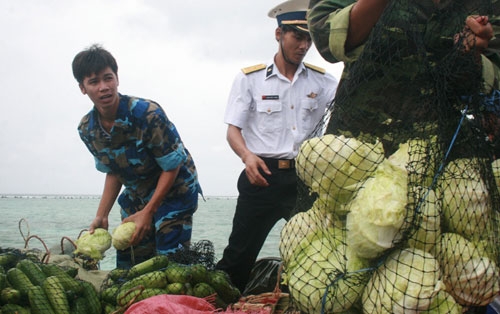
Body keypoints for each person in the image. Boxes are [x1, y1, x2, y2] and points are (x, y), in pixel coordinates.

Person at [216, 0, 338, 293]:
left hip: (306, 179)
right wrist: (247, 157)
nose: (304, 45)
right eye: (297, 36)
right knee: (239, 255)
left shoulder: (323, 81)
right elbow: (233, 130)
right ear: (279, 34)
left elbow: (347, 106)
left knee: (318, 251)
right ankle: (221, 303)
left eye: (309, 38)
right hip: (262, 175)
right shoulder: (250, 79)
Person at [72, 44, 202, 269]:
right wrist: (102, 216)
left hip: (174, 190)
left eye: (108, 78)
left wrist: (149, 211)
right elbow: (114, 171)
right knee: (129, 261)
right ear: (83, 88)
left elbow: (171, 167)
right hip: (138, 193)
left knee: (170, 264)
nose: (104, 87)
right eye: (94, 82)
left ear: (117, 79)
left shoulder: (147, 114)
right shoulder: (88, 129)